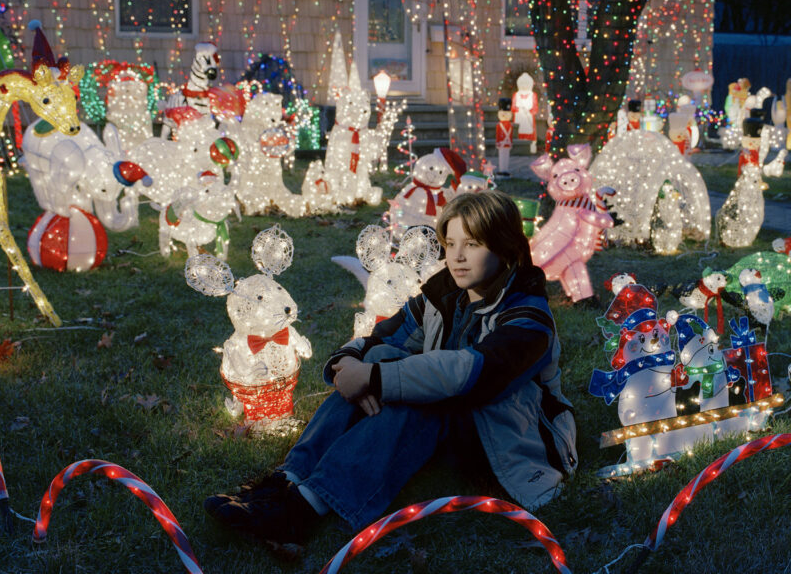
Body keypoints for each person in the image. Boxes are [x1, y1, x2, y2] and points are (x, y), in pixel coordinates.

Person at [204, 190, 578, 544]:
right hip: (461, 423)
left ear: (505, 247)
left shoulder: (529, 315)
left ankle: (305, 508)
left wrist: (375, 380)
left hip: (513, 439)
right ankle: (288, 480)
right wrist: (348, 365)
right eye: (451, 244)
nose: (458, 256)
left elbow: (472, 373)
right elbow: (382, 336)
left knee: (424, 395)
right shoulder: (444, 292)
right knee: (378, 360)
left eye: (474, 244)